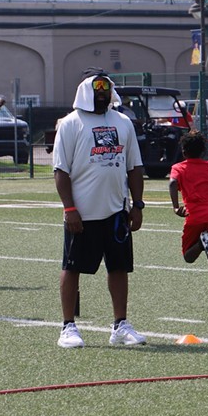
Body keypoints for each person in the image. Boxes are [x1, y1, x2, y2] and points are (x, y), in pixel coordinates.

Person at [52, 69, 146, 348]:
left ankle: (120, 325)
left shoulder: (123, 122)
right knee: (72, 268)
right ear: (85, 91)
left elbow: (135, 166)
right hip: (82, 213)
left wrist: (137, 204)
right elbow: (60, 171)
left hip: (117, 212)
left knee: (119, 268)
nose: (103, 94)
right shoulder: (71, 123)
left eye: (106, 89)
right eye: (97, 89)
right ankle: (68, 327)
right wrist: (70, 209)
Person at [169, 130, 208, 312]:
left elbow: (172, 183)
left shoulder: (179, 167)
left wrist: (175, 206)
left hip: (194, 216)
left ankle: (202, 244)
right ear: (203, 151)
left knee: (188, 256)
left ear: (184, 151)